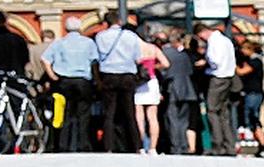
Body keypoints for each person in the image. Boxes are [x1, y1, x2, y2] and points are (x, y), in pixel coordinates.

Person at [42, 17, 99, 153]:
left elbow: (44, 59)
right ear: (80, 28)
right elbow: (94, 62)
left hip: (64, 81)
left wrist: (52, 75)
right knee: (83, 114)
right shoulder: (88, 42)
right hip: (83, 81)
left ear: (66, 28)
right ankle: (82, 144)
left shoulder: (59, 43)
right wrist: (96, 80)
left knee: (65, 113)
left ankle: (63, 144)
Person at [95, 10, 142, 153]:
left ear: (106, 23)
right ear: (120, 21)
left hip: (108, 75)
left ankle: (108, 146)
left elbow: (97, 58)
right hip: (127, 75)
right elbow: (138, 58)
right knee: (129, 112)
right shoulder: (131, 36)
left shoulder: (100, 36)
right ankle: (136, 146)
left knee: (109, 112)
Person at [195, 23, 237, 155]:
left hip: (217, 77)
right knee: (224, 113)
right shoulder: (226, 40)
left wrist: (206, 62)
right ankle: (229, 145)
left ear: (202, 33)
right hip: (228, 77)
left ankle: (217, 145)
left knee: (212, 111)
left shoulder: (213, 42)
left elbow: (215, 60)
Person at [161, 30, 198, 154]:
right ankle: (183, 145)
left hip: (173, 89)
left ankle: (175, 146)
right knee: (183, 120)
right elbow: (190, 71)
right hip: (187, 90)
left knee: (173, 119)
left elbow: (164, 73)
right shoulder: (184, 55)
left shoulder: (165, 53)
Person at [133, 32, 170, 154]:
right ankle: (153, 148)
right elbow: (166, 64)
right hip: (152, 81)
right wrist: (153, 67)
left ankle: (141, 147)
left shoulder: (134, 49)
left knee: (139, 117)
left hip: (139, 82)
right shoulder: (153, 48)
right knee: (153, 117)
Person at [236, 41, 264, 155]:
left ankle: (262, 143)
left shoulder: (255, 61)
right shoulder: (251, 61)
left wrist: (232, 63)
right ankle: (261, 143)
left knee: (253, 118)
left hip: (254, 93)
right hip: (252, 93)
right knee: (252, 118)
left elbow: (242, 71)